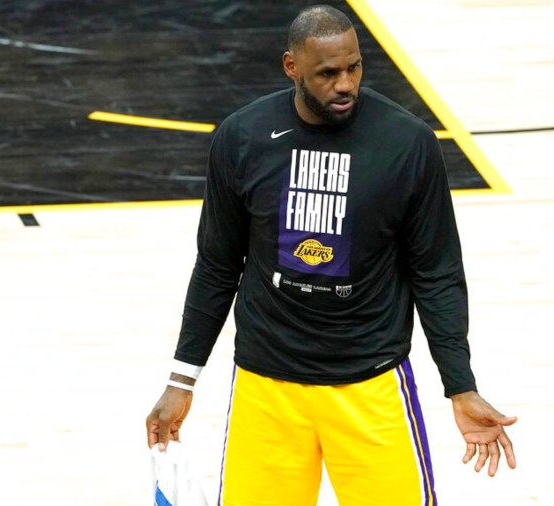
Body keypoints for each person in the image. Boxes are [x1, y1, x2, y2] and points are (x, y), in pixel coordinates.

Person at [146, 5, 516, 505]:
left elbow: (437, 273)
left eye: (353, 68)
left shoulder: (407, 144)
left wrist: (460, 384)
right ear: (291, 66)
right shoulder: (241, 138)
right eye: (327, 73)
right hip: (266, 386)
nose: (344, 84)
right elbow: (216, 264)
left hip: (371, 385)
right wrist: (181, 380)